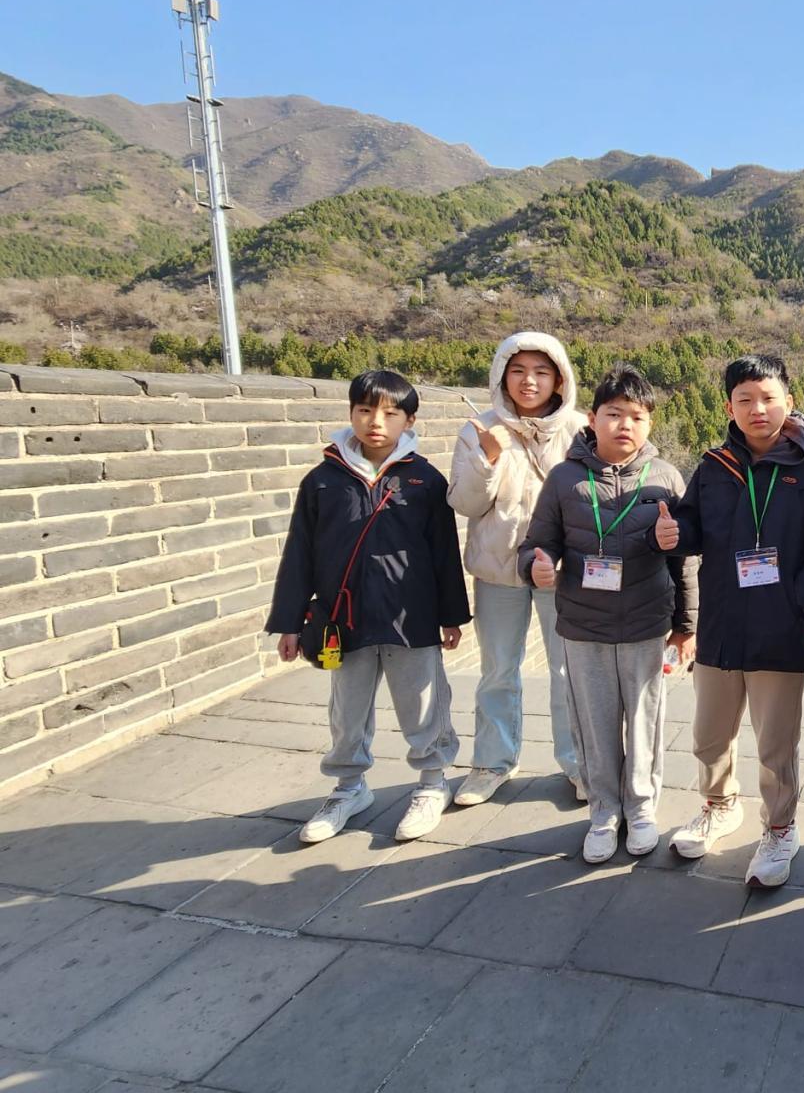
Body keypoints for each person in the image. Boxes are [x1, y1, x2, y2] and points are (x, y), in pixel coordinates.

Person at [653, 354, 804, 887]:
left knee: (775, 744)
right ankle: (719, 806)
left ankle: (780, 827)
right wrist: (676, 535)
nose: (757, 409)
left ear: (789, 402)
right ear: (729, 408)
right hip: (720, 625)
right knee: (708, 735)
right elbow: (692, 526)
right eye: (745, 400)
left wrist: (797, 603)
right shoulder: (714, 467)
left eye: (768, 398)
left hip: (778, 629)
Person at [266, 369, 471, 845]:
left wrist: (451, 617)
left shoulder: (424, 480)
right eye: (365, 410)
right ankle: (349, 788)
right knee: (347, 710)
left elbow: (444, 553)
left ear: (409, 421)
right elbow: (299, 554)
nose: (376, 422)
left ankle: (432, 783)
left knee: (423, 705)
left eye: (390, 413)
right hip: (344, 620)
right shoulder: (322, 481)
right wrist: (289, 622)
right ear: (351, 414)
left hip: (411, 618)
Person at [519, 364, 698, 863]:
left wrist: (687, 626)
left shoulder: (665, 477)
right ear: (592, 418)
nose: (625, 425)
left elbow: (685, 559)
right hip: (584, 626)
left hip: (646, 623)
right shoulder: (564, 479)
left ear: (650, 424)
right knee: (593, 726)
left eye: (637, 416)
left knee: (645, 722)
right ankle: (603, 812)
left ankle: (641, 808)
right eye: (614, 413)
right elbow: (537, 544)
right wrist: (536, 566)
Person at [447, 333, 585, 808]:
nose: (529, 381)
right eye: (519, 370)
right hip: (497, 569)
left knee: (568, 671)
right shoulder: (479, 429)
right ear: (502, 376)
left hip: (559, 570)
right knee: (498, 670)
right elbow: (465, 503)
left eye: (541, 372)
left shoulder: (580, 431)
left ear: (559, 379)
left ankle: (578, 763)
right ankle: (492, 762)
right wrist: (486, 457)